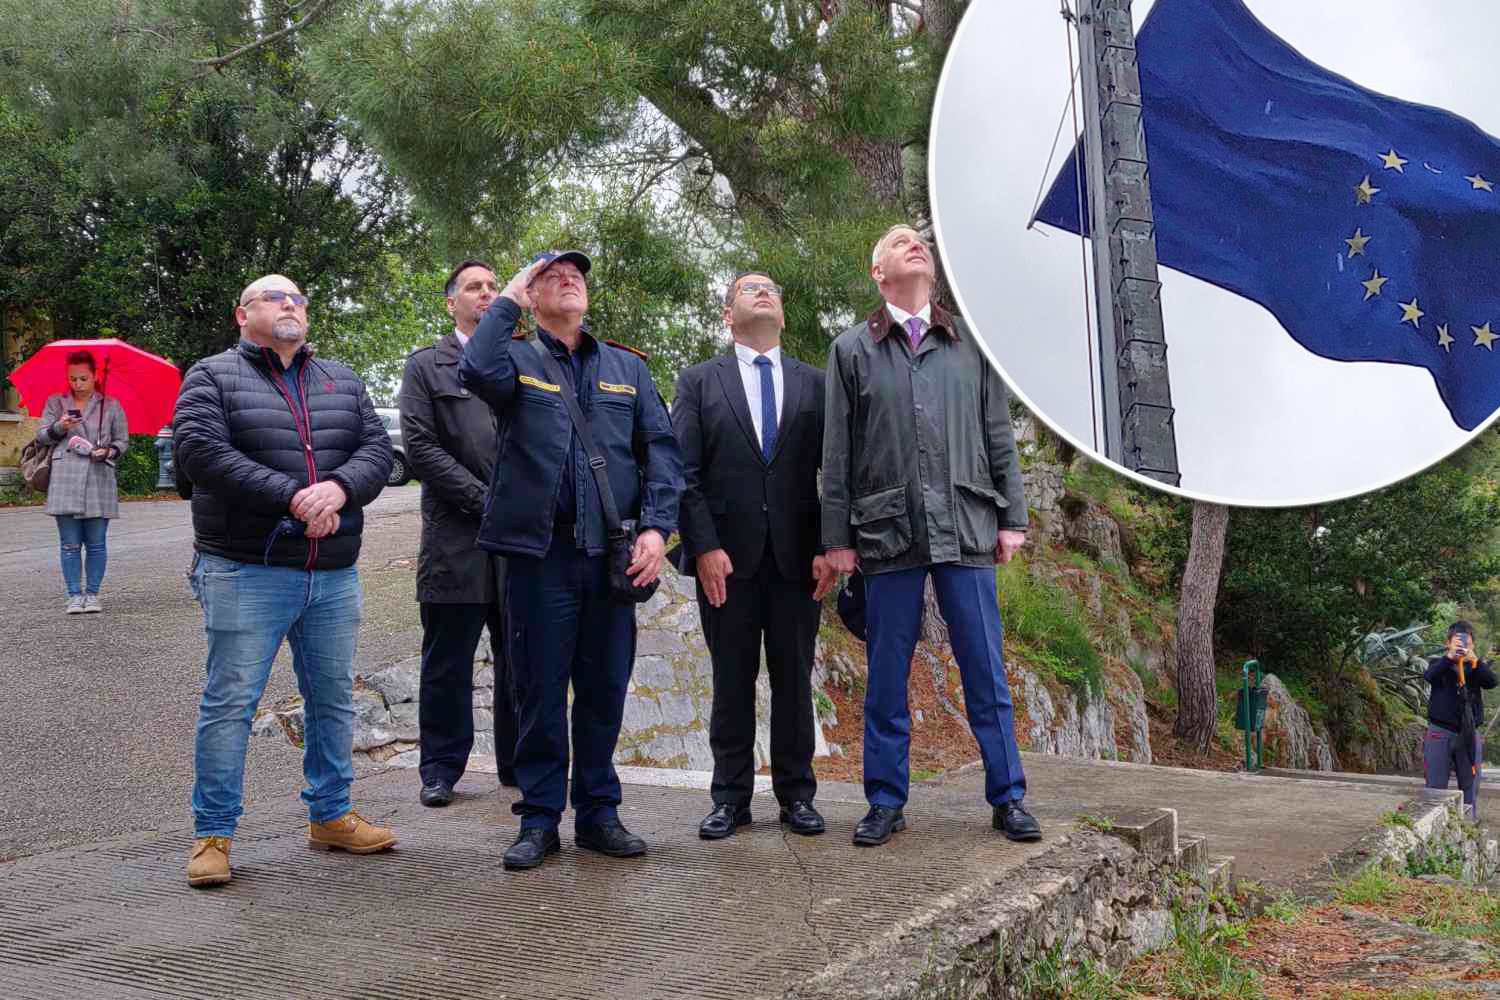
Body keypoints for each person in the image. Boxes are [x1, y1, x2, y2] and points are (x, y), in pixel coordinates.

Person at [460, 250, 682, 871]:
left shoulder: (627, 368)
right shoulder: (514, 359)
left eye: (576, 276)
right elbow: (474, 368)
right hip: (540, 556)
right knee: (538, 690)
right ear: (532, 296)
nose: (568, 281)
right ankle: (538, 819)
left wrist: (658, 529)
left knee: (604, 690)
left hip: (611, 557)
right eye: (552, 277)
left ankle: (598, 814)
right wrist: (507, 298)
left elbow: (662, 452)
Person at [822, 224, 1042, 847]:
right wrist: (837, 538)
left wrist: (1013, 518)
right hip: (886, 533)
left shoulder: (970, 342)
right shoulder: (851, 350)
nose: (914, 243)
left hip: (967, 526)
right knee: (887, 676)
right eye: (898, 242)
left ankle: (1009, 797)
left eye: (918, 241)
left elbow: (998, 434)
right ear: (878, 273)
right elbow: (837, 453)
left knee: (986, 671)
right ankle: (885, 801)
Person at [174, 273, 396, 887]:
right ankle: (213, 833)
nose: (290, 304)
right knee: (231, 704)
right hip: (246, 569)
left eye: (298, 297)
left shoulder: (341, 380)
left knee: (332, 699)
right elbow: (201, 453)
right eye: (274, 297)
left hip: (332, 572)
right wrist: (295, 496)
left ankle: (330, 815)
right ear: (241, 314)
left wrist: (340, 488)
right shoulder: (212, 376)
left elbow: (377, 453)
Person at [671, 271, 837, 840]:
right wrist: (704, 546)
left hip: (799, 561)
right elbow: (683, 472)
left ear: (783, 316)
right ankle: (730, 798)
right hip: (726, 563)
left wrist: (829, 545)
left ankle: (797, 796)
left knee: (794, 680)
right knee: (731, 681)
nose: (763, 292)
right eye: (749, 288)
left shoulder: (817, 384)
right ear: (727, 315)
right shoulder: (698, 382)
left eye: (772, 290)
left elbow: (836, 473)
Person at [399, 260, 521, 805]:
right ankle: (441, 769)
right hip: (456, 540)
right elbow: (421, 449)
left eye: (493, 286)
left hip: (520, 542)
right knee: (447, 661)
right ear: (452, 302)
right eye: (475, 287)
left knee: (521, 659)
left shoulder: (521, 360)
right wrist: (486, 502)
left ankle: (519, 765)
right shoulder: (427, 366)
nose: (487, 294)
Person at [34, 350, 130, 614]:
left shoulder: (111, 406)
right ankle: (74, 595)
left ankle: (93, 594)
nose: (77, 384)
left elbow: (122, 441)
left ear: (95, 375)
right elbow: (41, 436)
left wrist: (108, 451)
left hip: (98, 478)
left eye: (83, 378)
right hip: (64, 478)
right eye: (72, 378)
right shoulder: (56, 402)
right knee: (69, 544)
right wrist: (60, 427)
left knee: (96, 543)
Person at [1423, 620, 1496, 822]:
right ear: (1448, 643)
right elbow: (1429, 676)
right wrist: (1449, 658)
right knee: (1435, 785)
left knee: (1470, 784)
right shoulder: (1438, 664)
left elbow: (1492, 682)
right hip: (1440, 732)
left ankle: (1468, 826)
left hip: (1469, 733)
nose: (1462, 646)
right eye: (1458, 642)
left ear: (1473, 645)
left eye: (1467, 643)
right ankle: (1433, 826)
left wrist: (1475, 661)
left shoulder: (1475, 667)